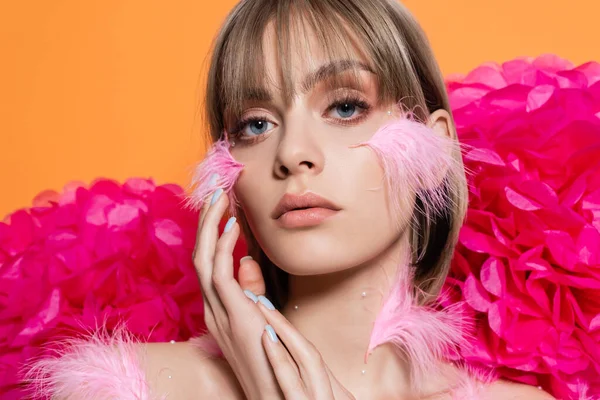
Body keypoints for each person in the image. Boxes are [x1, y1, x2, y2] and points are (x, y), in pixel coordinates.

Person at [25, 0, 558, 398]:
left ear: (436, 145)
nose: (292, 153)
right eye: (255, 124)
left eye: (346, 107)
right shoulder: (130, 388)